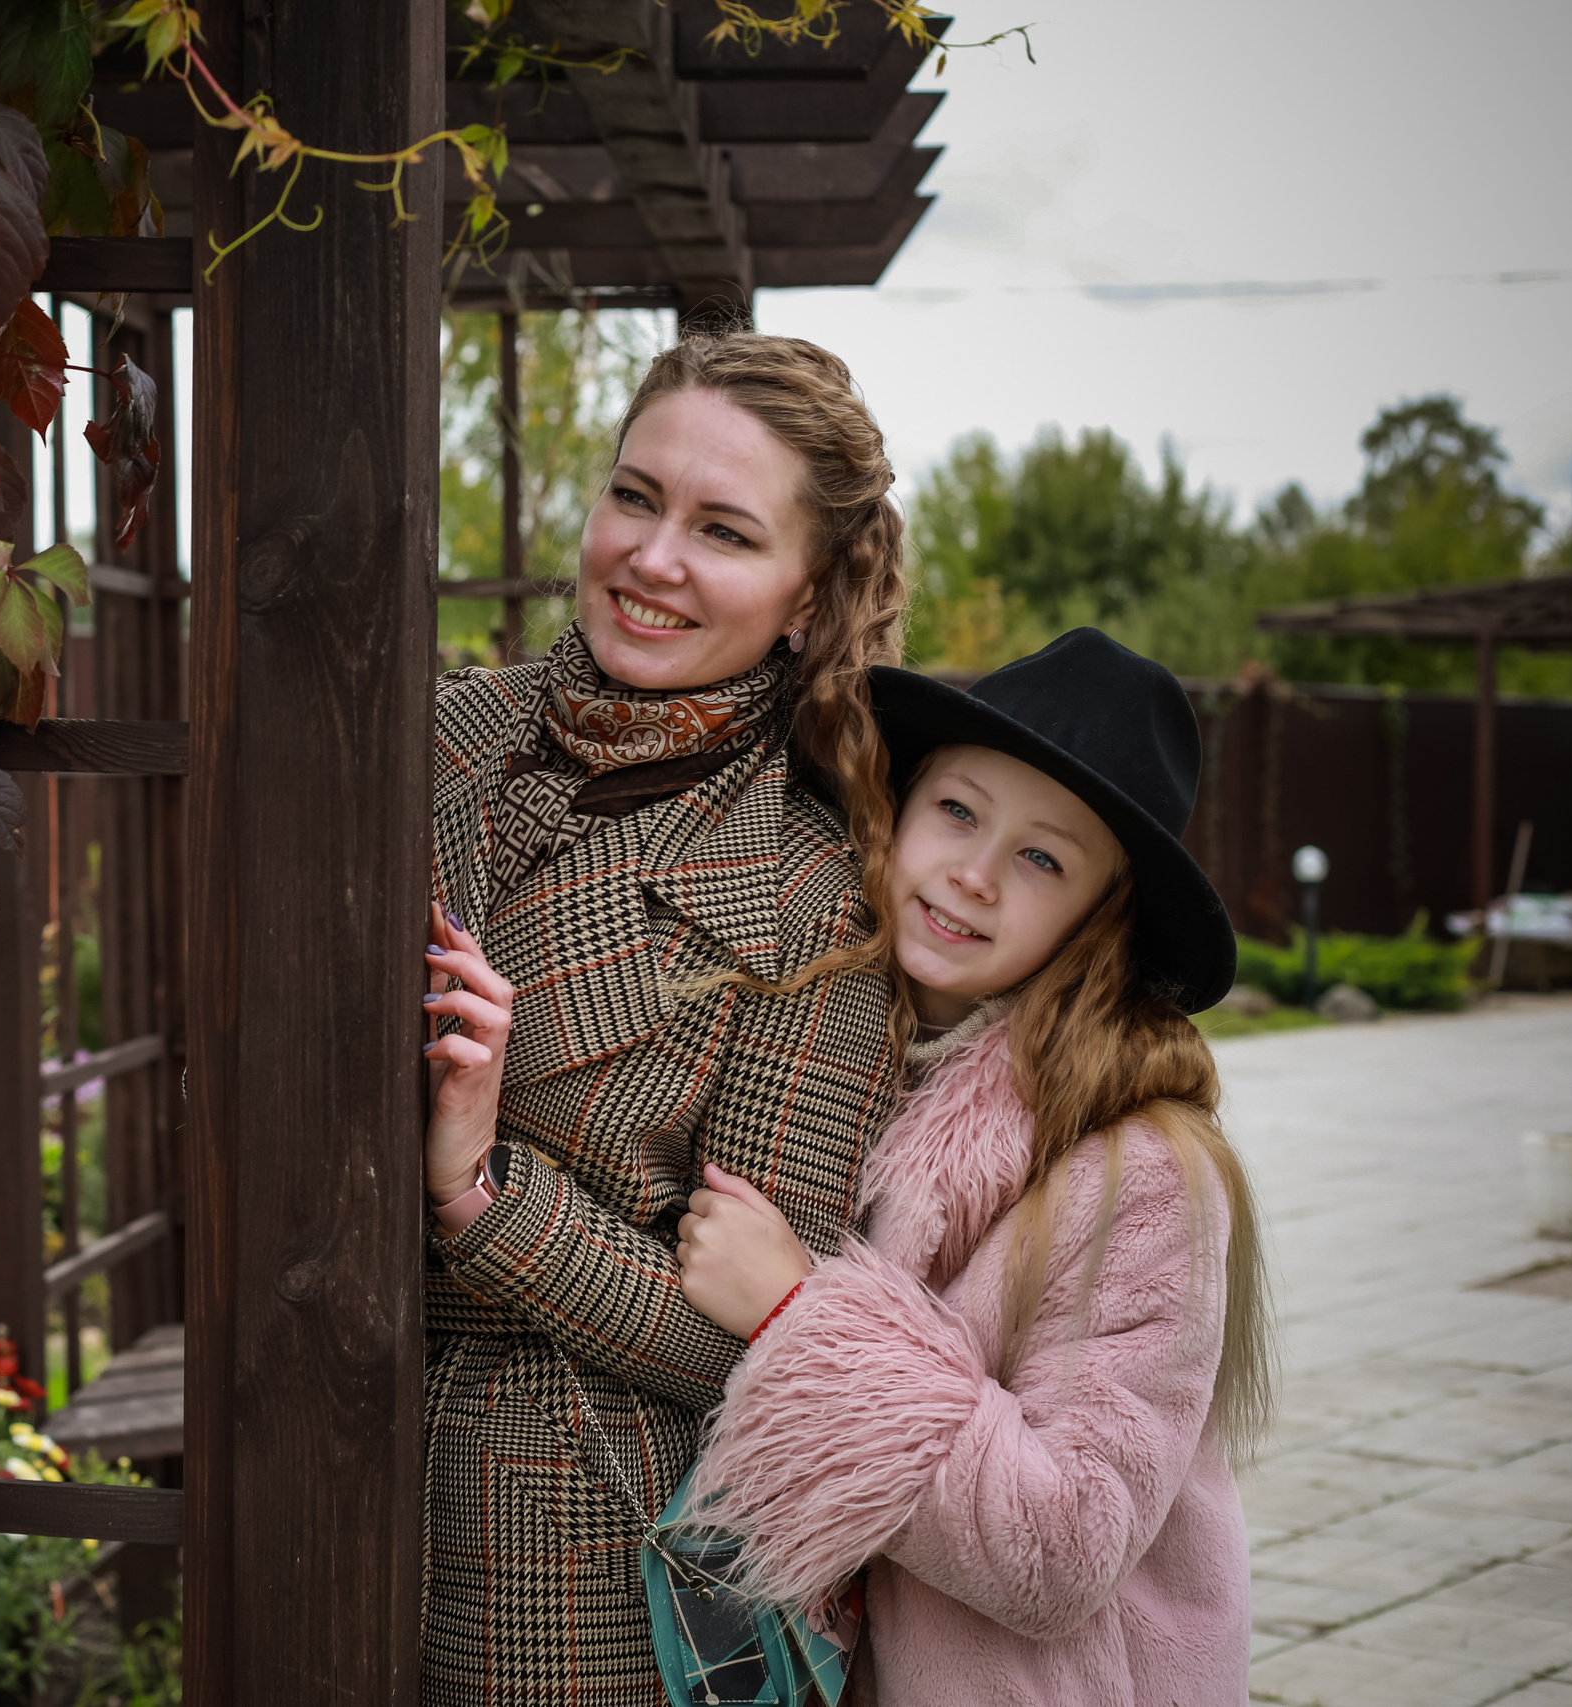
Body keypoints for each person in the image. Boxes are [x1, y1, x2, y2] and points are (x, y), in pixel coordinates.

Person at [415, 329, 911, 1703]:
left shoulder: (813, 896)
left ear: (810, 597)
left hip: (562, 1547)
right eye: (634, 497)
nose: (651, 557)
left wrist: (477, 1191)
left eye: (724, 532)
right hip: (306, 1437)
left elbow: (746, 1344)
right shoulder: (434, 739)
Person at [665, 629, 1272, 1705]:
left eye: (1042, 859)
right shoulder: (834, 1056)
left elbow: (1064, 1544)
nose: (974, 874)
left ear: (1103, 921)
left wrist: (798, 1318)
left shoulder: (1142, 1173)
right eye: (957, 810)